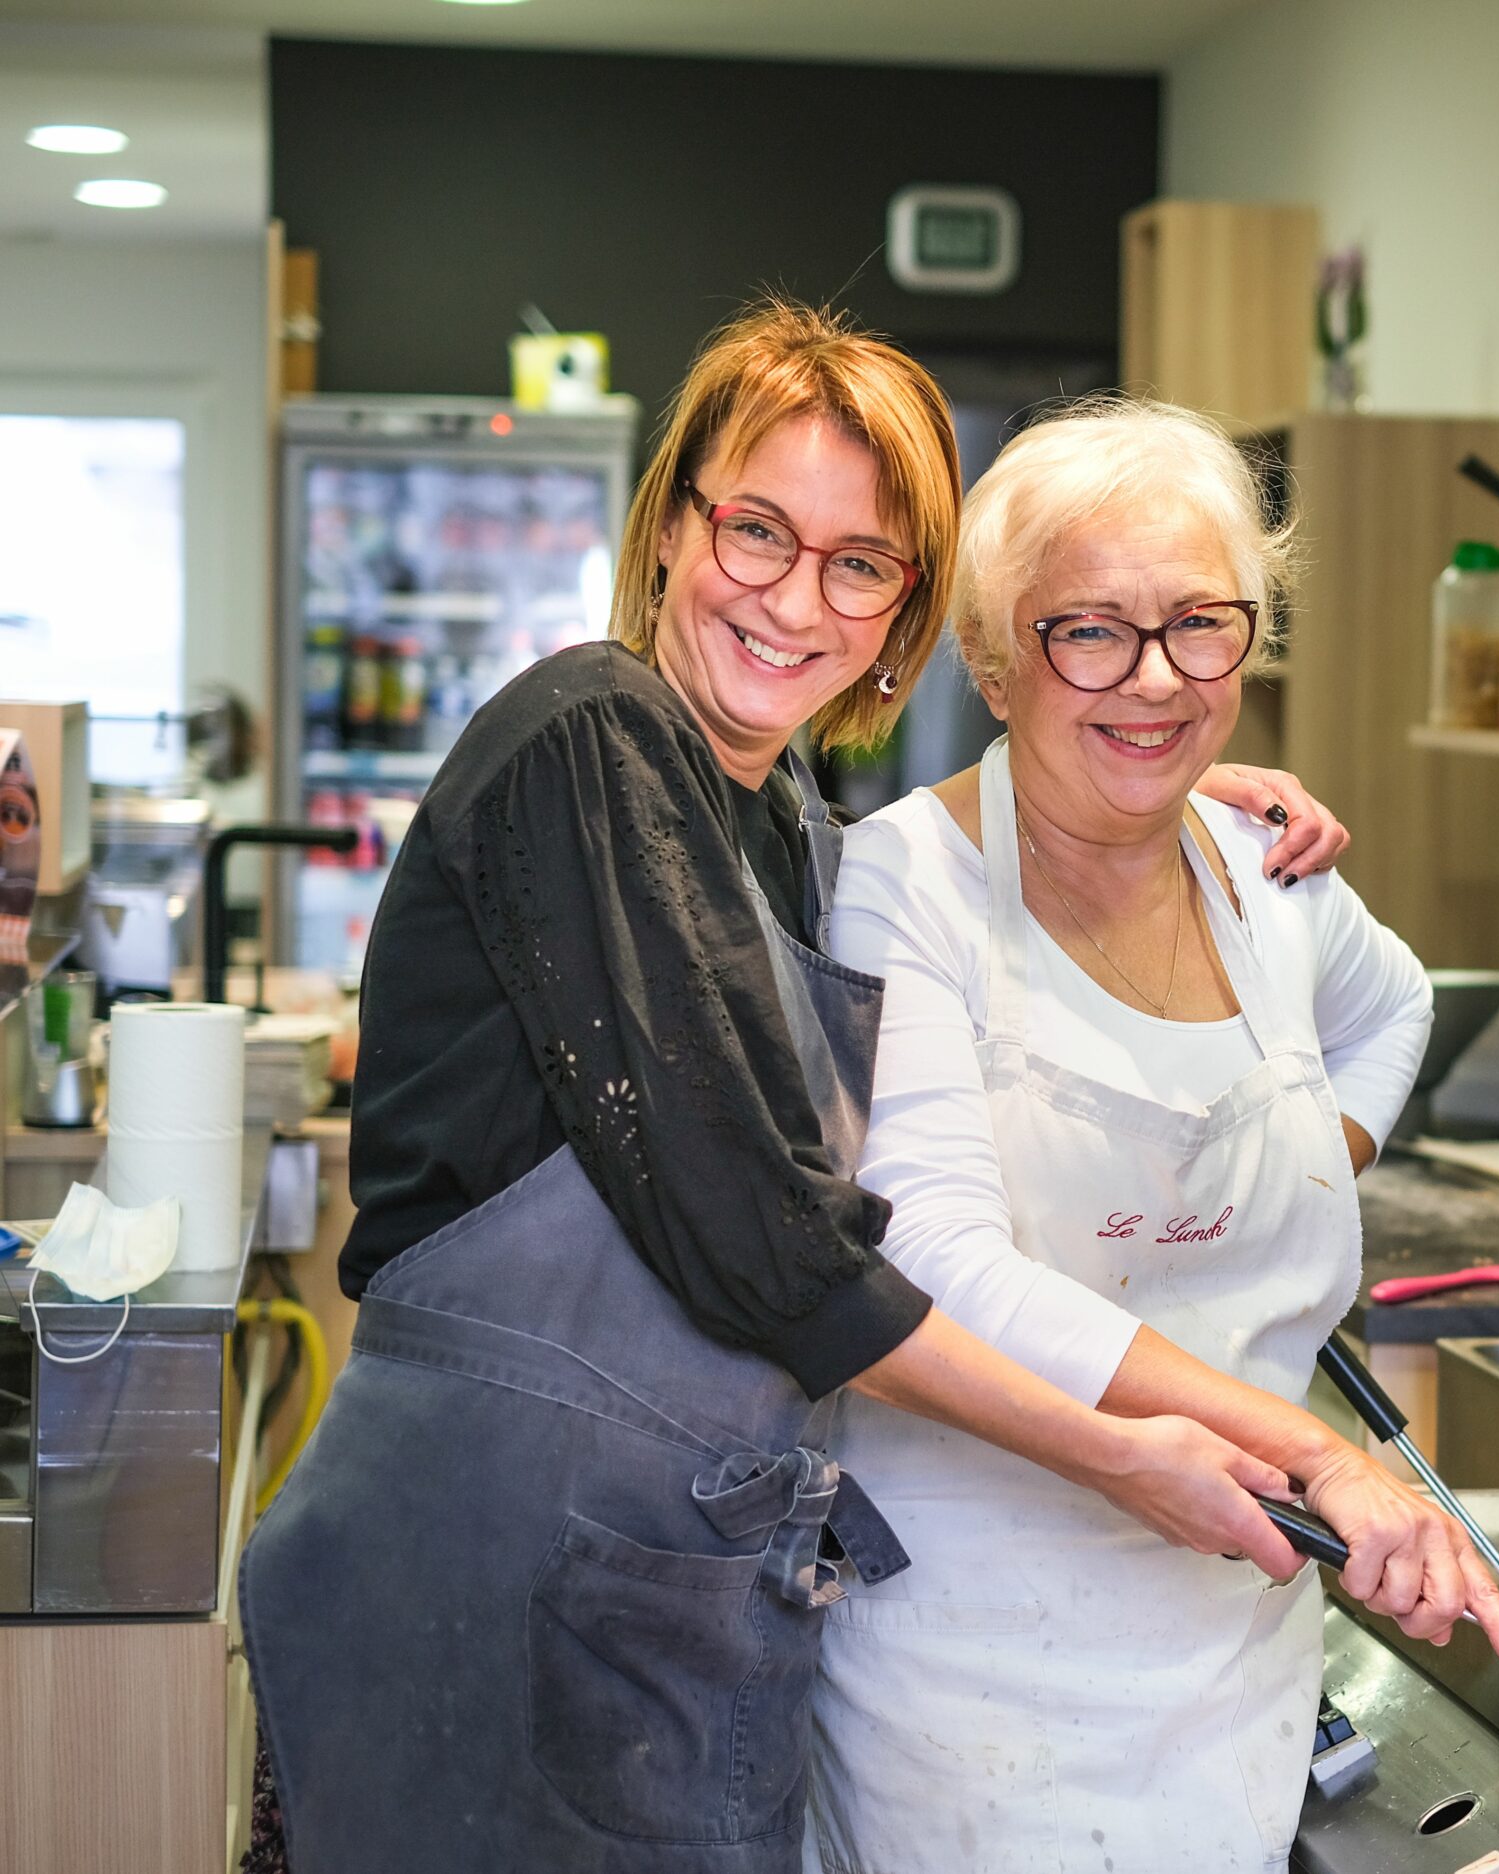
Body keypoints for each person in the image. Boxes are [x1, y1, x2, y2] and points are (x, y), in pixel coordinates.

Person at [235, 301, 1405, 1873]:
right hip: (482, 1575)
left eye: (861, 564)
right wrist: (1123, 1451)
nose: (799, 600)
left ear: (906, 606)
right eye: (760, 532)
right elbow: (773, 1250)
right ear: (668, 526)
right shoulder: (589, 738)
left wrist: (1164, 790)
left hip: (646, 1586)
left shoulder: (776, 816)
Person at [802, 398, 1499, 1874]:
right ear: (998, 659)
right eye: (1092, 631)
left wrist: (1308, 1150)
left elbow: (1395, 1015)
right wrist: (1319, 1454)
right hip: (974, 1671)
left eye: (1204, 623)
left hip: (1232, 1647)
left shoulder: (1275, 879)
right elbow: (931, 1256)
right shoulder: (901, 890)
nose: (1156, 679)